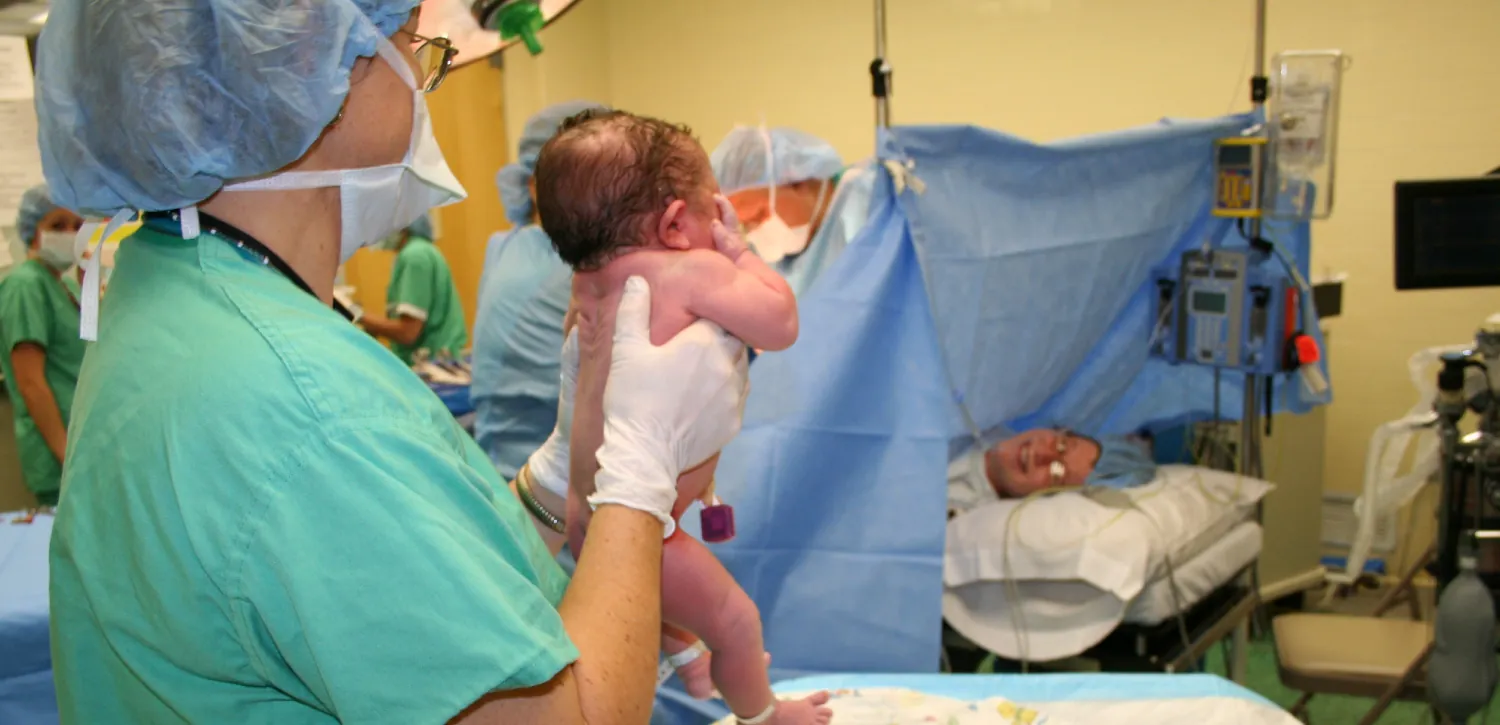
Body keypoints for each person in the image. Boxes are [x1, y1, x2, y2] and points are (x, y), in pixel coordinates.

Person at [37, 2, 748, 723]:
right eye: (414, 43)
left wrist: (558, 475)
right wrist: (637, 470)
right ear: (311, 67)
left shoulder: (170, 296)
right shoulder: (308, 409)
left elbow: (406, 593)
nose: (423, 73)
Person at [533, 109, 822, 725]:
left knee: (668, 595)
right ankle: (765, 714)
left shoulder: (587, 287)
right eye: (708, 209)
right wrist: (738, 252)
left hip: (589, 515)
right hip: (643, 520)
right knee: (737, 619)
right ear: (674, 222)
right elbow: (780, 324)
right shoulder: (691, 268)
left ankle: (688, 658)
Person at [472, 100, 605, 481]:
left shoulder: (504, 245)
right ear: (535, 186)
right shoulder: (579, 262)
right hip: (550, 493)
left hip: (508, 480)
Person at [712, 126, 877, 297]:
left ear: (798, 183)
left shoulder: (867, 202)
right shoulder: (775, 263)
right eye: (745, 225)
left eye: (760, 215)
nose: (754, 234)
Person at [0, 185, 84, 506]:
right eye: (57, 225)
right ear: (31, 230)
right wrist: (66, 455)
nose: (70, 234)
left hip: (79, 446)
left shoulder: (64, 285)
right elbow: (30, 383)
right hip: (58, 457)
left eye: (77, 226)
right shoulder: (25, 285)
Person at [947, 428, 1158, 514]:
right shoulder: (993, 420)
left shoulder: (960, 506)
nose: (1042, 454)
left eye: (1057, 473)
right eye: (1062, 445)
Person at [358, 213, 468, 363]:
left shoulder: (415, 256)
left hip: (432, 364)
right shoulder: (420, 251)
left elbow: (408, 333)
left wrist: (355, 313)